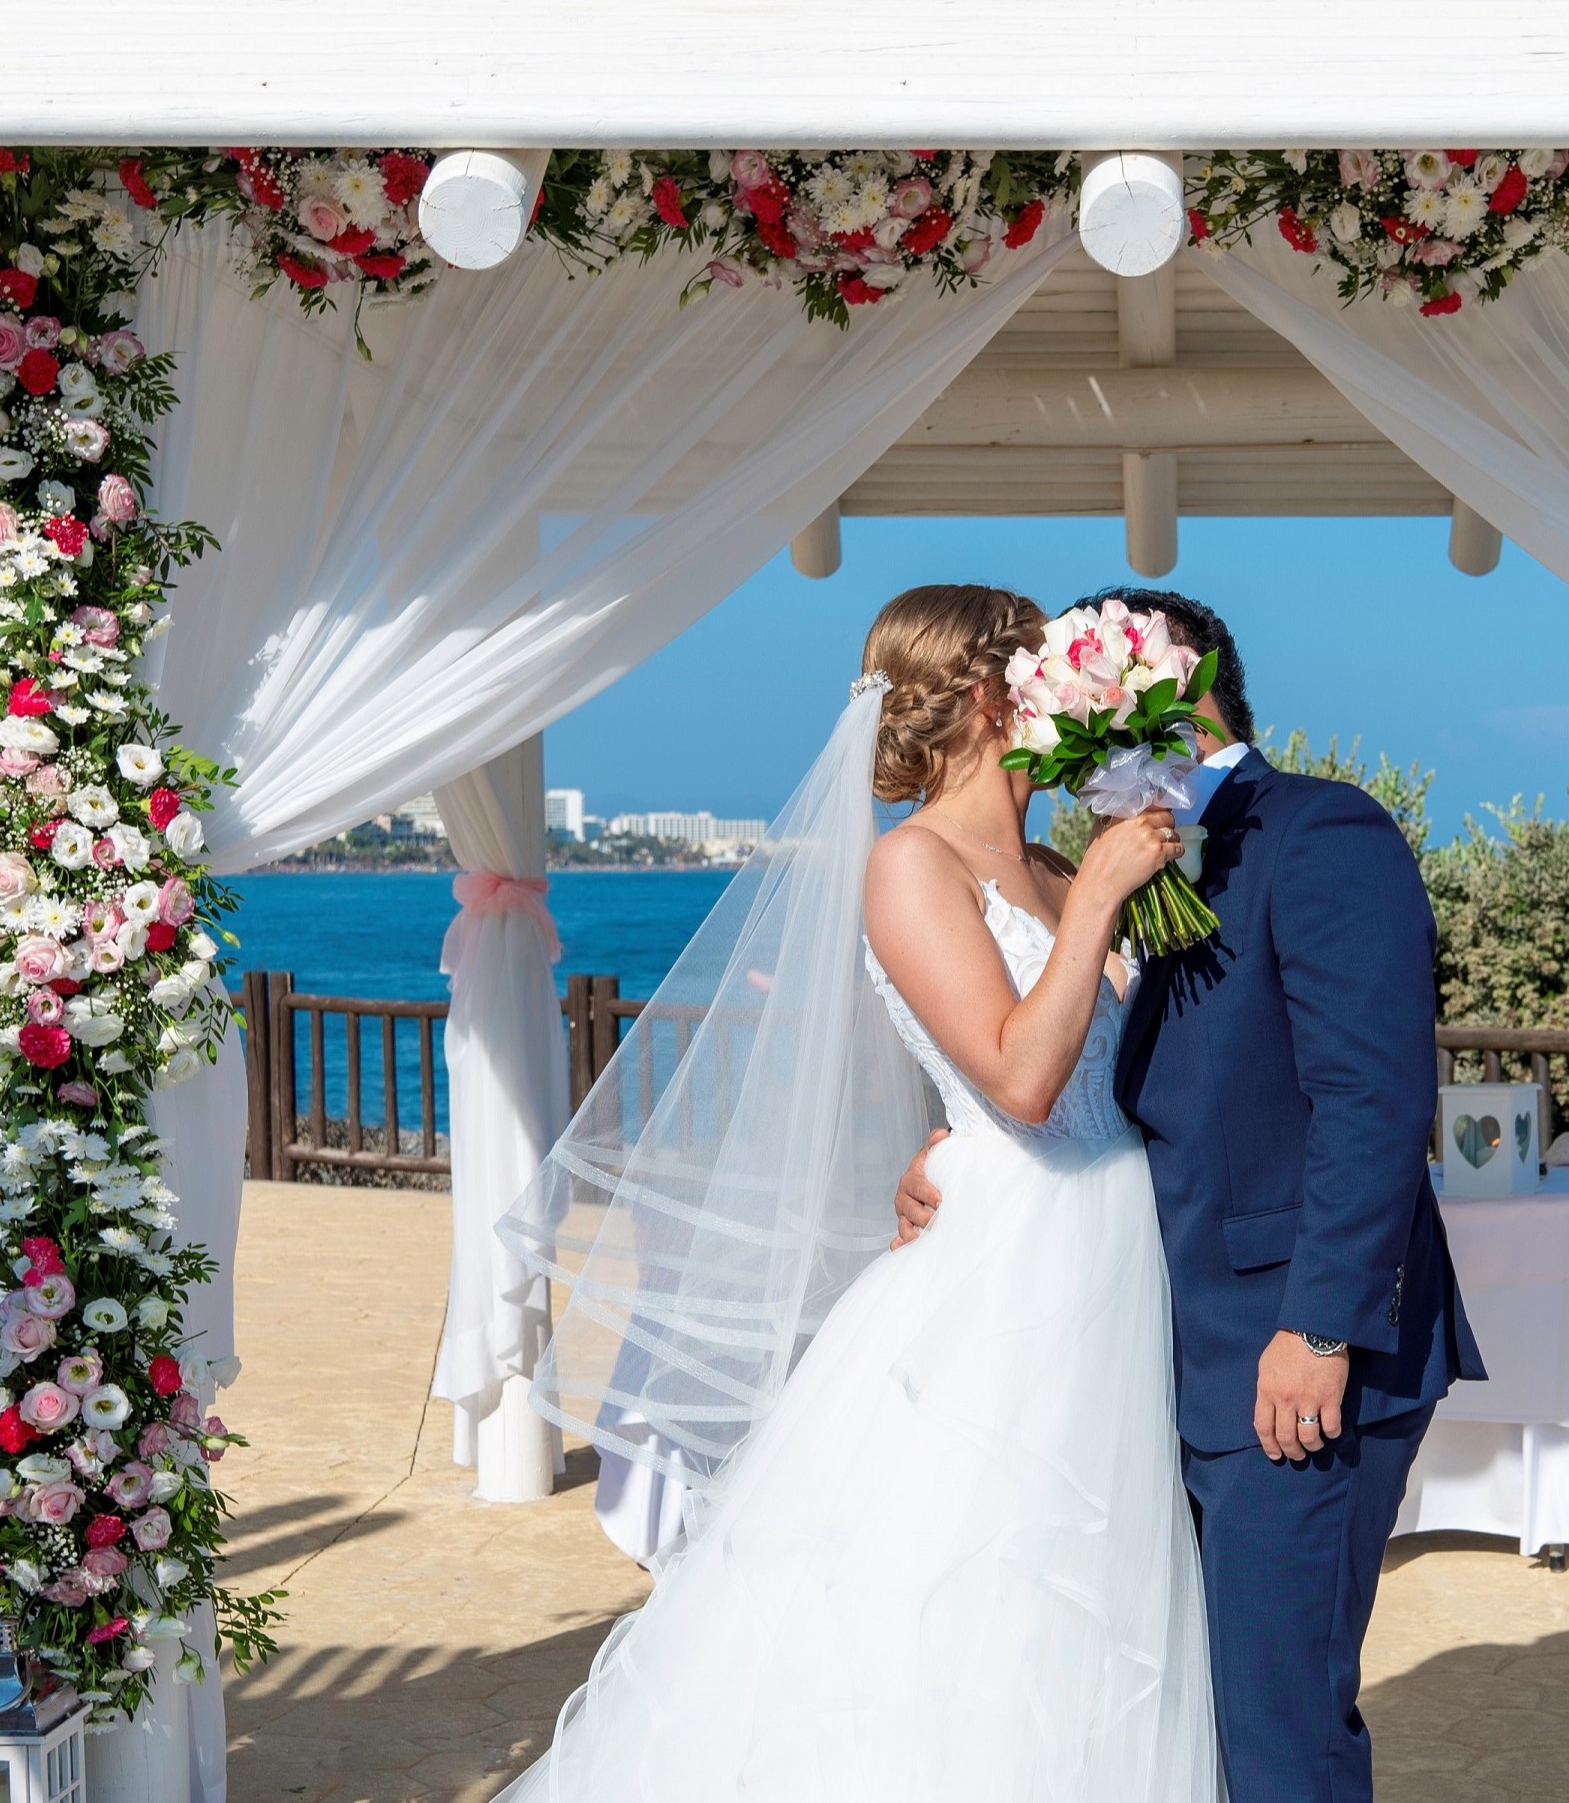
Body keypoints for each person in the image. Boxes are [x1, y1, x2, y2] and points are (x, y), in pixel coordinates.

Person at [496, 585, 1223, 1802]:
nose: (1061, 692)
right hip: (1012, 1264)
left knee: (1094, 1583)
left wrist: (1094, 886)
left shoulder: (1050, 856)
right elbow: (1020, 1078)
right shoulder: (909, 865)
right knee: (973, 1568)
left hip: (1115, 1243)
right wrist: (1098, 898)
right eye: (1038, 670)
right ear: (988, 695)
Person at [897, 587, 1482, 1803]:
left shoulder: (1320, 832)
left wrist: (1318, 1327)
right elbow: (1112, 1084)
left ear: (1159, 697)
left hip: (1296, 1363)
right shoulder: (1138, 858)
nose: (1056, 755)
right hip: (1167, 1355)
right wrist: (956, 1160)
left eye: (1072, 714)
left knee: (1279, 1726)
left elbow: (1371, 1103)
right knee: (1201, 1713)